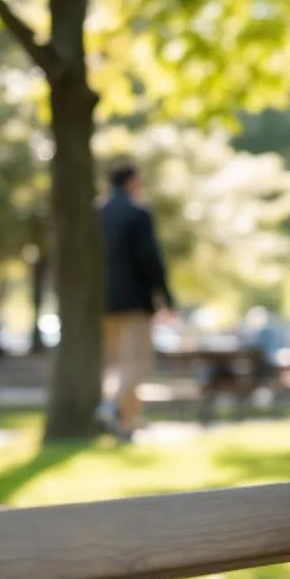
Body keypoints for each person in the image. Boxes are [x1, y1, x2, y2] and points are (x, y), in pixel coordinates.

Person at [97, 162, 174, 439]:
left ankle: (129, 423)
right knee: (137, 364)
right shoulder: (137, 214)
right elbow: (150, 259)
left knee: (120, 364)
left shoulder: (97, 214)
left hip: (103, 302)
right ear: (130, 182)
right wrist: (166, 297)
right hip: (135, 303)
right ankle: (108, 407)